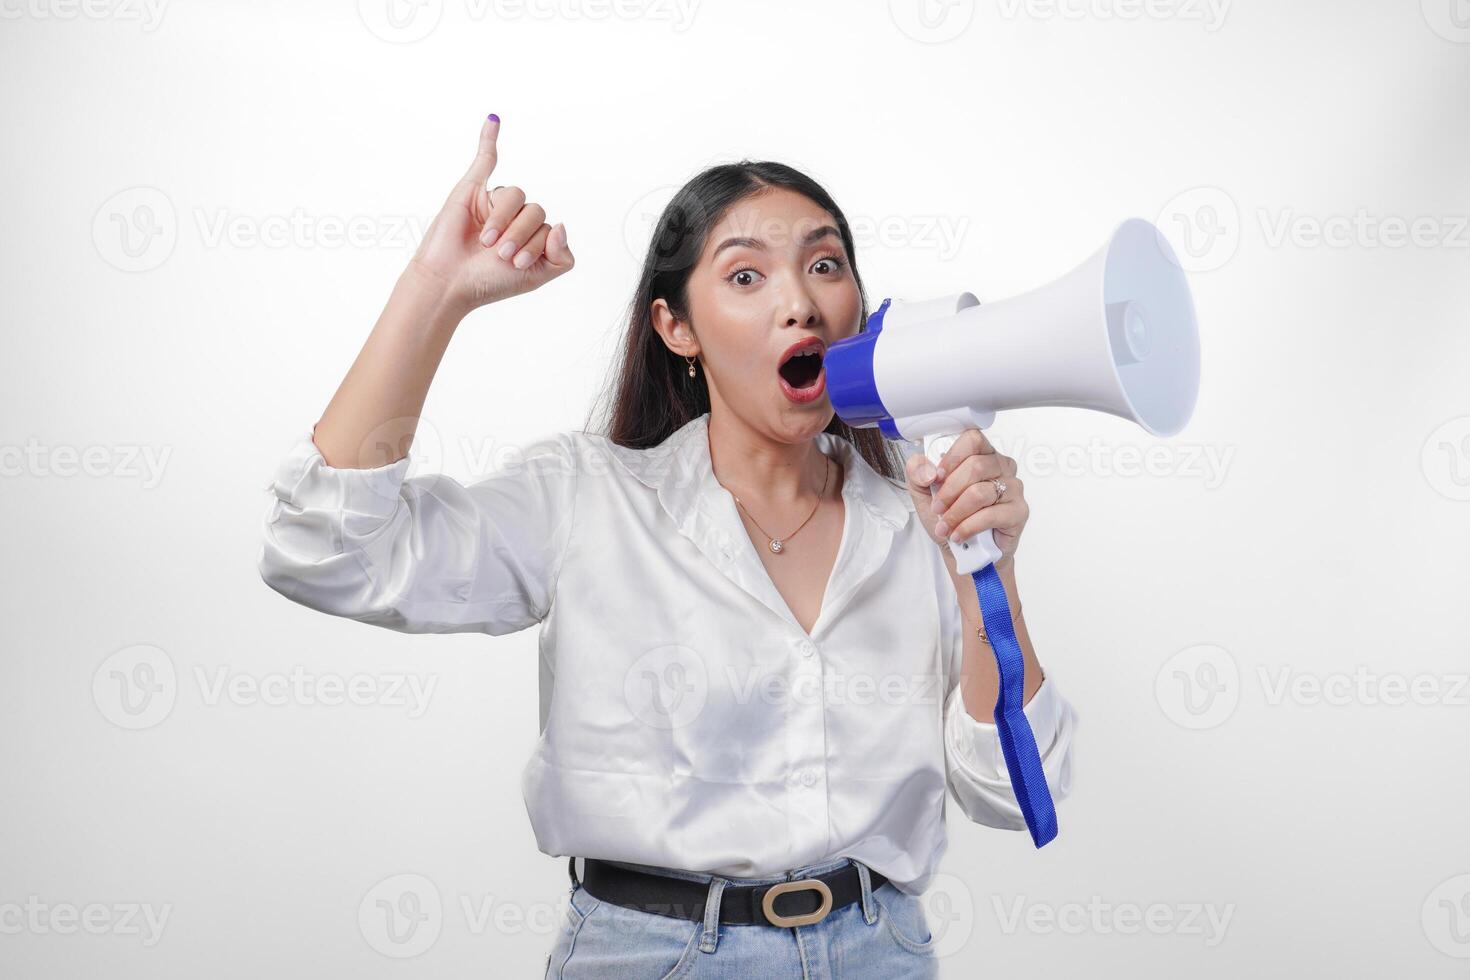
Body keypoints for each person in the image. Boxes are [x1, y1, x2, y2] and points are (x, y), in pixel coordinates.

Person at [257, 114, 1077, 978]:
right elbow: (324, 552)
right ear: (676, 328)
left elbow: (1014, 793)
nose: (799, 298)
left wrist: (984, 571)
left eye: (825, 264)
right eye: (747, 275)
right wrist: (436, 288)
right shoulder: (585, 499)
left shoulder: (918, 519)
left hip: (881, 951)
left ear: (857, 314)